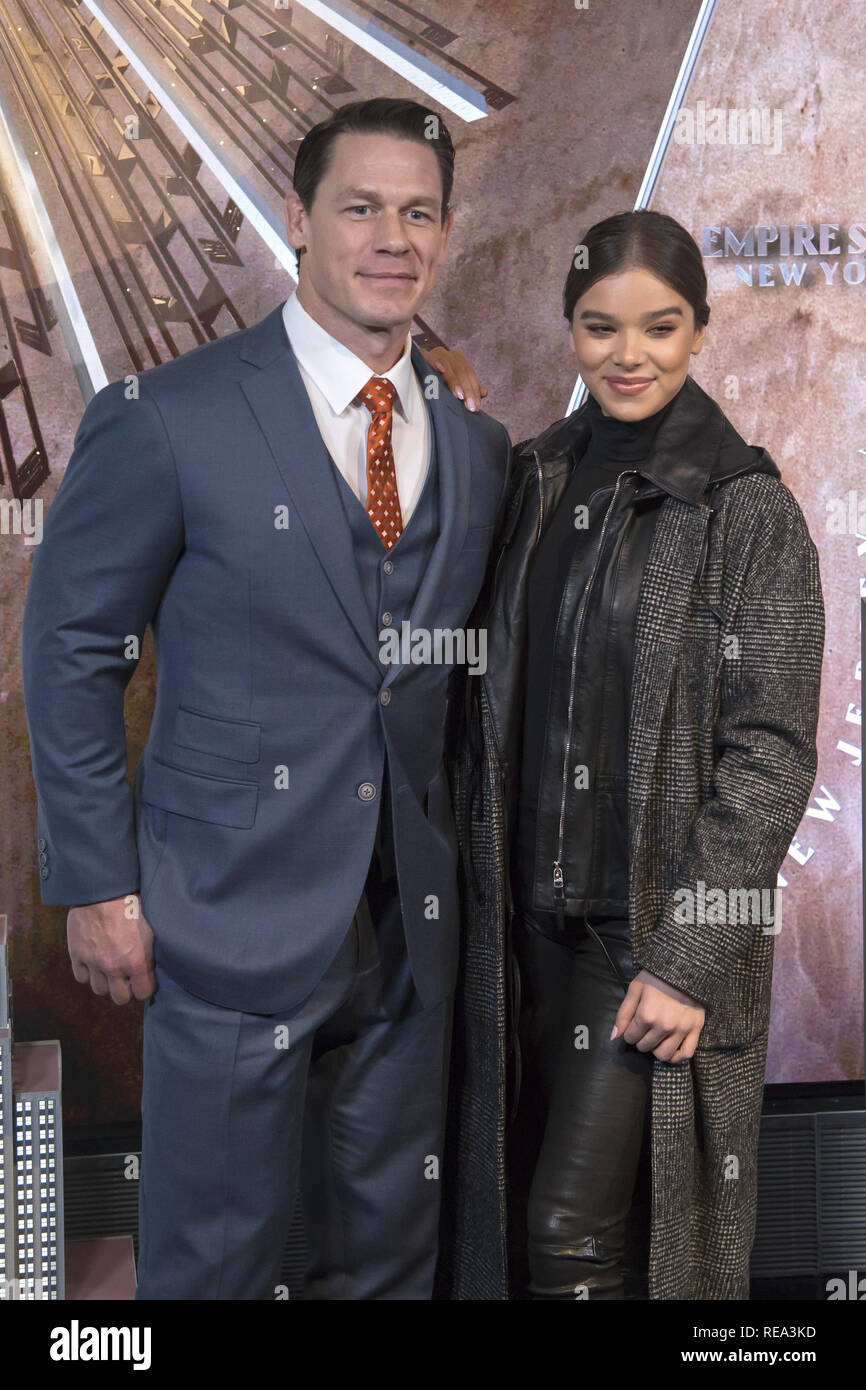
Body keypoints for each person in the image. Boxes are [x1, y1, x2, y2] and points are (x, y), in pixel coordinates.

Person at [20, 96, 511, 1300]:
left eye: (417, 211)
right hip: (220, 920)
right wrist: (96, 881)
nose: (391, 237)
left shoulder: (478, 445)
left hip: (409, 934)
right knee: (212, 1266)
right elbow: (71, 644)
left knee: (388, 1266)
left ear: (443, 234)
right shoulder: (169, 416)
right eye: (359, 207)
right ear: (296, 219)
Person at [429, 209, 825, 1299]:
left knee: (569, 1232)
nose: (628, 353)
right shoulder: (531, 480)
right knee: (514, 1226)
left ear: (698, 329)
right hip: (516, 929)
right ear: (569, 330)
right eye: (599, 327)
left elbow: (768, 756)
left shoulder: (746, 510)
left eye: (658, 326)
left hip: (639, 936)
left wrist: (685, 957)